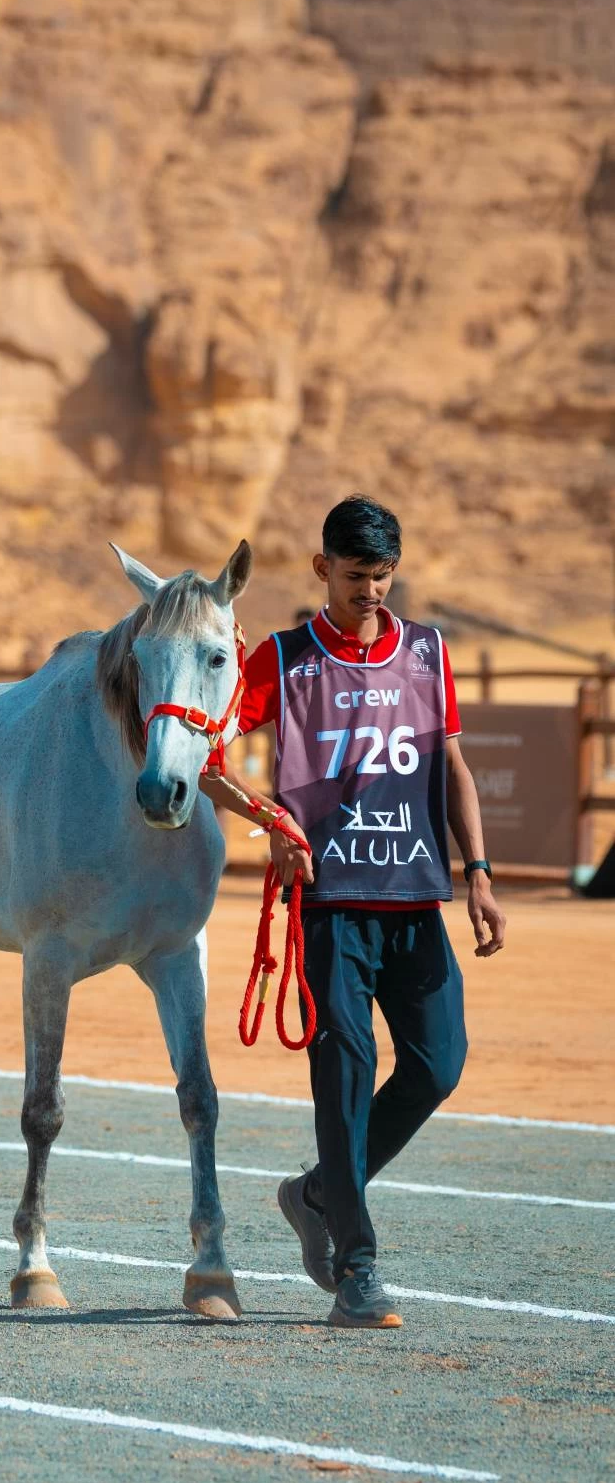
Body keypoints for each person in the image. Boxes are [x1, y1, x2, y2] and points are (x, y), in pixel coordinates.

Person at [235, 496, 506, 1328]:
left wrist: (480, 874)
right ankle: (356, 1265)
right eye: (355, 578)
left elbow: (451, 765)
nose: (372, 593)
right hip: (329, 911)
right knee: (343, 1081)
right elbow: (210, 758)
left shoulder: (426, 652)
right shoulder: (281, 660)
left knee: (437, 1064)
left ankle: (316, 1193)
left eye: (382, 577)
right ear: (322, 570)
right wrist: (269, 819)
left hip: (416, 900)